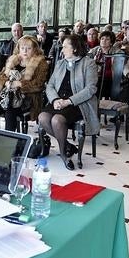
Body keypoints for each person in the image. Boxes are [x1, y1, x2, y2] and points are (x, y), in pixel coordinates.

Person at [38, 34, 99, 170]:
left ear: (75, 49)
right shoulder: (60, 64)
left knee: (56, 120)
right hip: (58, 101)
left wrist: (69, 101)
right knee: (42, 118)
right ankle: (68, 146)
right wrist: (55, 100)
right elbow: (50, 86)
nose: (62, 49)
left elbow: (90, 89)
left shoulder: (88, 63)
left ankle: (64, 155)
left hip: (78, 104)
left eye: (65, 47)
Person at [0, 35, 48, 132]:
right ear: (18, 48)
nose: (25, 51)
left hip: (28, 98)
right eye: (22, 48)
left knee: (9, 113)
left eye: (28, 48)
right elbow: (0, 77)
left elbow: (39, 85)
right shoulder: (13, 60)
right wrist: (6, 82)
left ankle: (10, 141)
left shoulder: (41, 63)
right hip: (7, 96)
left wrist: (19, 84)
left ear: (35, 49)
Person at [88, 30, 120, 99]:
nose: (104, 41)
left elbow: (121, 57)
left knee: (99, 83)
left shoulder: (116, 51)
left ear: (111, 43)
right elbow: (87, 58)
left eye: (107, 39)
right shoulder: (95, 50)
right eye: (102, 39)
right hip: (96, 76)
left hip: (110, 78)